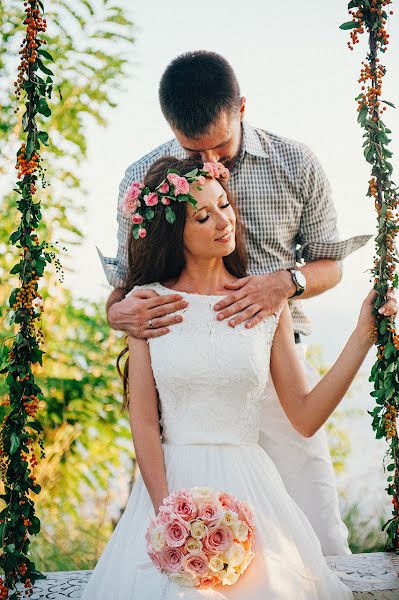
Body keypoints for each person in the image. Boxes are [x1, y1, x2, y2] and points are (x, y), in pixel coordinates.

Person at [98, 50, 372, 555]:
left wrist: (285, 283)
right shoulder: (145, 181)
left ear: (242, 108)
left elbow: (331, 264)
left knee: (320, 539)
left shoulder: (296, 163)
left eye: (220, 147)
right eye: (192, 150)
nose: (210, 165)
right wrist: (115, 312)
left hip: (271, 360)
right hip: (185, 379)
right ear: (171, 127)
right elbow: (128, 283)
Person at [83, 157, 396, 600]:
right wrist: (170, 516)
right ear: (175, 233)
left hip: (253, 492)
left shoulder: (265, 302)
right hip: (169, 487)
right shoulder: (148, 304)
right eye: (203, 216)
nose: (223, 221)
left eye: (225, 205)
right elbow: (144, 422)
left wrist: (362, 337)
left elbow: (305, 417)